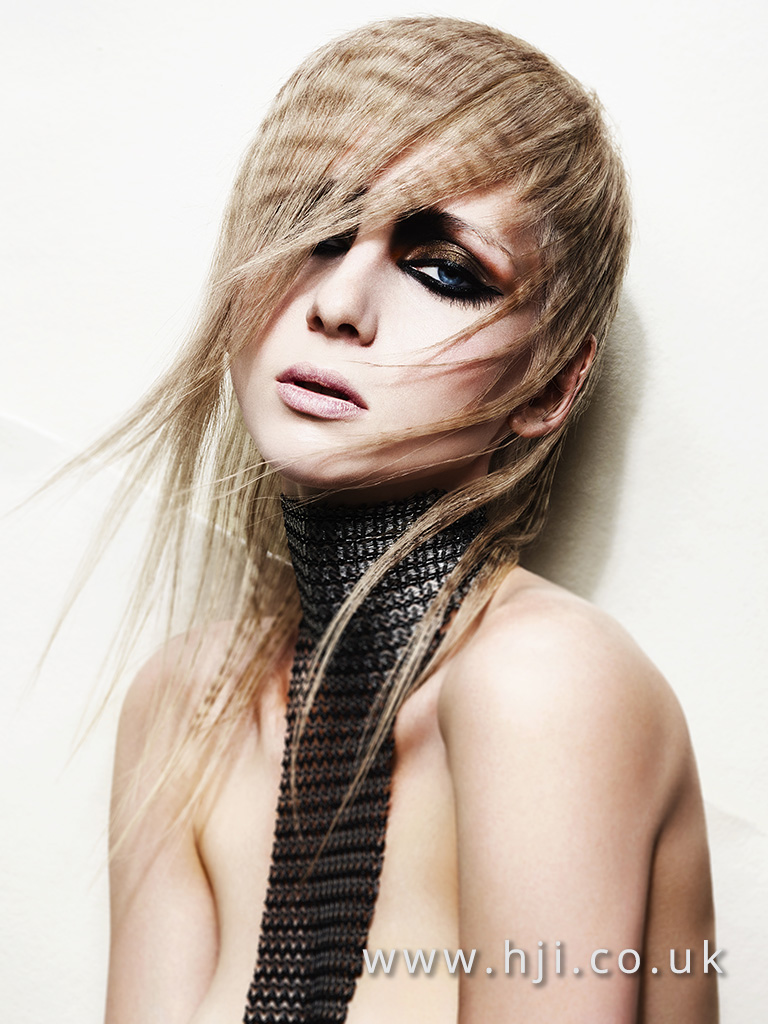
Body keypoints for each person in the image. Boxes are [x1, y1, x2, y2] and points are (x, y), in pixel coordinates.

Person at [101, 15, 717, 1024]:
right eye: (313, 227)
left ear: (551, 385)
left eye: (444, 271)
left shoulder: (544, 683)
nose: (338, 303)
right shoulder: (182, 708)